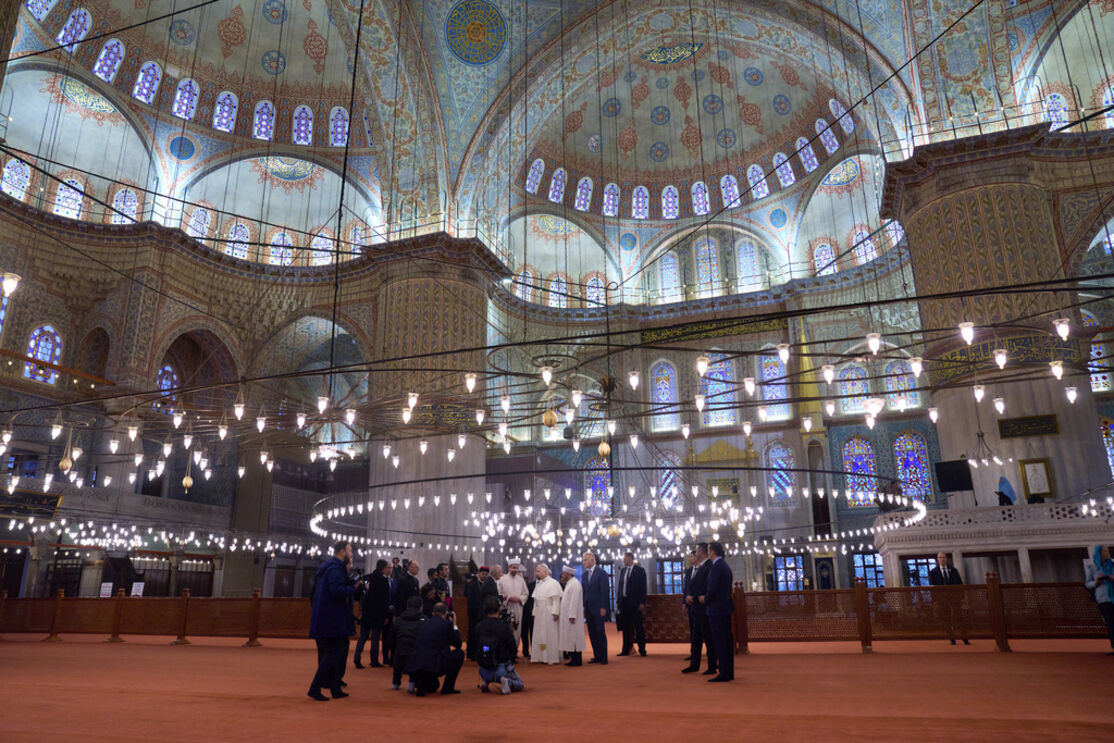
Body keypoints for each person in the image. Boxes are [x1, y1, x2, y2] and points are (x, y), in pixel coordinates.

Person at [307, 540, 357, 701]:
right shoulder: (334, 570)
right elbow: (336, 592)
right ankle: (315, 688)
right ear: (342, 552)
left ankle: (335, 688)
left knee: (334, 655)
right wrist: (353, 588)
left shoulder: (328, 568)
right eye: (349, 551)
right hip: (332, 619)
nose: (351, 554)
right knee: (331, 655)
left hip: (328, 618)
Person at [405, 602, 465, 696]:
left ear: (432, 613)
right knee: (460, 654)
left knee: (433, 686)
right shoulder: (447, 624)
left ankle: (421, 684)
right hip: (435, 664)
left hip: (417, 664)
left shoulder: (423, 623)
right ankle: (447, 688)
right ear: (446, 613)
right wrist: (454, 625)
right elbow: (458, 644)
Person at [472, 595, 526, 694]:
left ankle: (486, 680)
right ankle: (508, 682)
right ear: (500, 608)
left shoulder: (479, 626)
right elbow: (513, 648)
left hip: (482, 668)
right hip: (500, 670)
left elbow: (476, 645)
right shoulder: (503, 627)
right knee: (520, 684)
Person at [702, 541, 734, 682]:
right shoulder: (724, 566)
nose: (707, 553)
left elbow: (713, 588)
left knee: (720, 642)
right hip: (724, 608)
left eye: (708, 550)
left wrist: (705, 598)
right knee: (726, 641)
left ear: (713, 551)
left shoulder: (717, 567)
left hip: (717, 610)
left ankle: (724, 673)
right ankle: (728, 671)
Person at [682, 543, 715, 675]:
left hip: (703, 607)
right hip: (696, 608)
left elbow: (707, 587)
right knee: (696, 638)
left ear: (701, 552)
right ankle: (694, 664)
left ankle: (712, 666)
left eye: (696, 551)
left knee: (708, 638)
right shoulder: (700, 567)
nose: (695, 553)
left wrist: (694, 598)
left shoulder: (708, 566)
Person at [354, 559, 393, 668]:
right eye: (387, 568)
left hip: (366, 612)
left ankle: (357, 658)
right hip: (377, 614)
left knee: (363, 637)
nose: (388, 570)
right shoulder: (384, 581)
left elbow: (361, 594)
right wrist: (385, 615)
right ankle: (374, 660)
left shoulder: (368, 577)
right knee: (375, 639)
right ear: (383, 568)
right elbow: (384, 601)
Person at [929, 552, 969, 645]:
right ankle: (952, 638)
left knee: (959, 617)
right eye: (940, 557)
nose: (942, 559)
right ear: (937, 559)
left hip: (955, 599)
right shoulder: (934, 572)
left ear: (946, 559)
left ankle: (964, 637)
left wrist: (961, 597)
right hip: (942, 600)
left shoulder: (953, 570)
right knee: (946, 618)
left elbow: (960, 584)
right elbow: (932, 587)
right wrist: (935, 600)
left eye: (943, 557)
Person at [387, 596, 425, 691]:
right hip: (415, 653)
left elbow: (391, 638)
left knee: (398, 659)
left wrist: (393, 649)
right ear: (421, 607)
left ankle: (395, 683)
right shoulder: (424, 620)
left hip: (399, 653)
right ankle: (411, 684)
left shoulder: (399, 619)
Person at [529, 564, 563, 664]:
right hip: (539, 614)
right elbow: (535, 601)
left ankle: (551, 657)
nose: (536, 573)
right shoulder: (539, 584)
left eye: (538, 571)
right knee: (540, 635)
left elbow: (556, 600)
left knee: (550, 635)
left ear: (545, 571)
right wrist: (534, 613)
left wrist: (556, 612)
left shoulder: (553, 583)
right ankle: (540, 656)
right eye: (536, 571)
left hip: (549, 613)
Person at [616, 552, 647, 657]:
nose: (623, 560)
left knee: (638, 627)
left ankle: (642, 650)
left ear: (630, 559)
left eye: (624, 558)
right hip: (624, 603)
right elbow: (620, 587)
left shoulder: (640, 571)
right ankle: (625, 649)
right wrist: (618, 601)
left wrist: (642, 602)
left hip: (635, 604)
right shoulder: (623, 571)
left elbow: (643, 588)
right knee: (625, 627)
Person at [581, 551, 610, 664]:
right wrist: (583, 608)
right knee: (592, 633)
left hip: (598, 608)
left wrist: (603, 607)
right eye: (583, 560)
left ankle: (604, 657)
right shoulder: (584, 575)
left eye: (585, 560)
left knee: (600, 632)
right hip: (588, 608)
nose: (583, 562)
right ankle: (597, 655)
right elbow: (584, 593)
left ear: (593, 560)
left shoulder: (601, 573)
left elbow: (604, 592)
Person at [1084, 545, 1114, 653]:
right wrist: (1096, 582)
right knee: (1110, 623)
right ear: (1099, 554)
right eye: (1104, 551)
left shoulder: (1113, 565)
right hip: (1103, 599)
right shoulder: (1093, 568)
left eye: (1107, 551)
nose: (1107, 553)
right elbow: (1087, 583)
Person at [465, 566, 499, 659]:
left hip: (483, 613)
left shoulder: (488, 584)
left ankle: (481, 653)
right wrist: (471, 613)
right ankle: (471, 654)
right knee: (472, 633)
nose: (484, 576)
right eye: (483, 574)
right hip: (474, 613)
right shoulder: (472, 584)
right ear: (479, 573)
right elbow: (470, 601)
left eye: (486, 574)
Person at [497, 558, 530, 646]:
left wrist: (519, 599)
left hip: (518, 607)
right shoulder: (502, 579)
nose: (515, 570)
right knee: (506, 629)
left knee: (517, 629)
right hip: (506, 608)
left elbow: (526, 593)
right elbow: (499, 594)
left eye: (516, 568)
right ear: (509, 568)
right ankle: (506, 652)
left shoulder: (521, 580)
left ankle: (514, 651)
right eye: (513, 568)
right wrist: (508, 599)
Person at [558, 564, 584, 666]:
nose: (562, 575)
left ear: (568, 574)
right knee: (570, 637)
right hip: (568, 616)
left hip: (572, 617)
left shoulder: (574, 584)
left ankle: (577, 660)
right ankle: (574, 659)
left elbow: (574, 601)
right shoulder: (570, 583)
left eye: (564, 573)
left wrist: (572, 615)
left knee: (574, 637)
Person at [521, 573, 536, 660]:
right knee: (524, 632)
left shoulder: (532, 585)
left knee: (533, 632)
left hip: (534, 613)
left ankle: (534, 651)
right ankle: (525, 651)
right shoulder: (530, 585)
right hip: (524, 612)